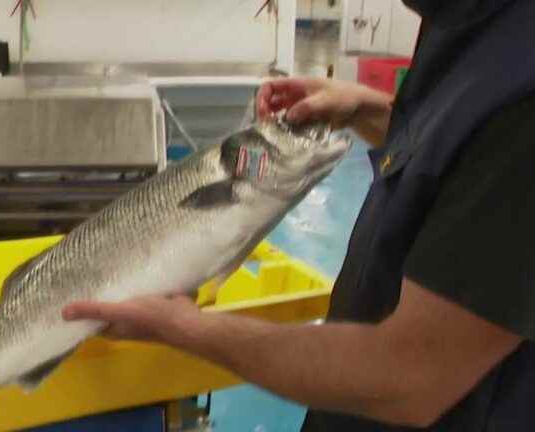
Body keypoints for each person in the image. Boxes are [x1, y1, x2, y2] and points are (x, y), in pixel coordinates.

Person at [63, 0, 535, 429]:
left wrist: (184, 327)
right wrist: (361, 107)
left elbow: (409, 376)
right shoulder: (467, 23)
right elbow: (455, 155)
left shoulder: (522, 95)